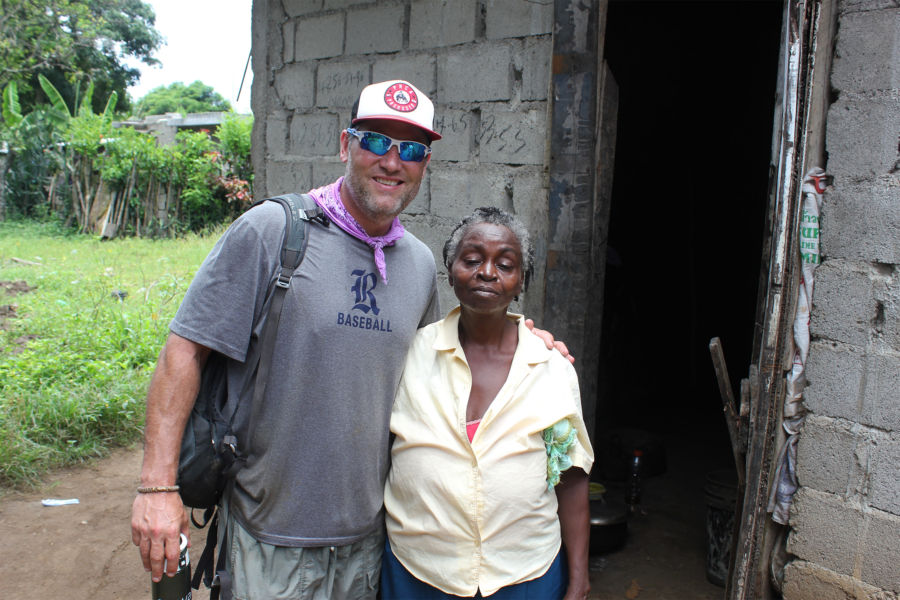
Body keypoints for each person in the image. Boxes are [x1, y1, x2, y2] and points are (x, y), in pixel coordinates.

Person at [131, 80, 569, 600]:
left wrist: (530, 343)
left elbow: (449, 356)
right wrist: (157, 488)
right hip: (269, 533)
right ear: (345, 145)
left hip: (369, 541)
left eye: (410, 149)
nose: (392, 161)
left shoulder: (418, 265)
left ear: (424, 165)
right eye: (376, 141)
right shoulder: (274, 232)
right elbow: (185, 349)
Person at [381, 207, 594, 599]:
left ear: (520, 282)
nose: (487, 272)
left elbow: (571, 476)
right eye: (473, 259)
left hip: (525, 573)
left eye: (505, 264)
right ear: (450, 270)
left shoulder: (550, 369)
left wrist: (578, 580)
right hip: (419, 569)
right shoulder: (408, 354)